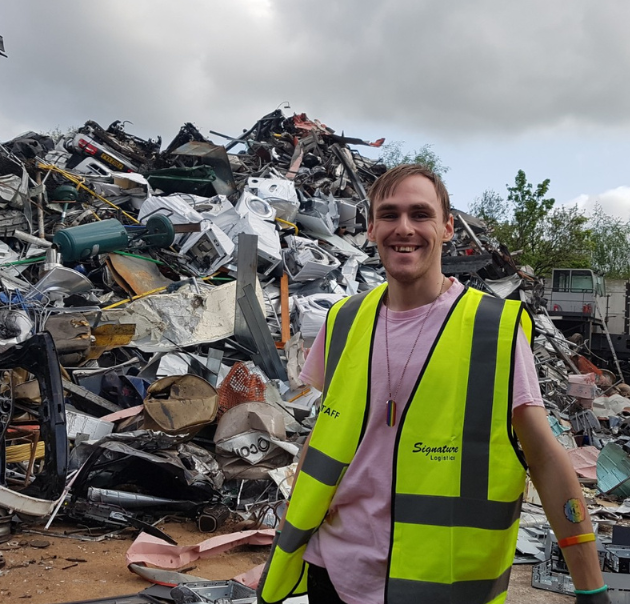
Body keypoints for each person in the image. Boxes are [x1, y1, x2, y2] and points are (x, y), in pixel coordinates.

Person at [259, 164, 609, 604]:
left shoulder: (491, 330)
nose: (403, 228)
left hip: (439, 585)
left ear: (446, 228)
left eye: (420, 214)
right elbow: (330, 432)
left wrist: (590, 584)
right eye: (389, 214)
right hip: (335, 572)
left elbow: (543, 457)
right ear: (370, 228)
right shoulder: (344, 320)